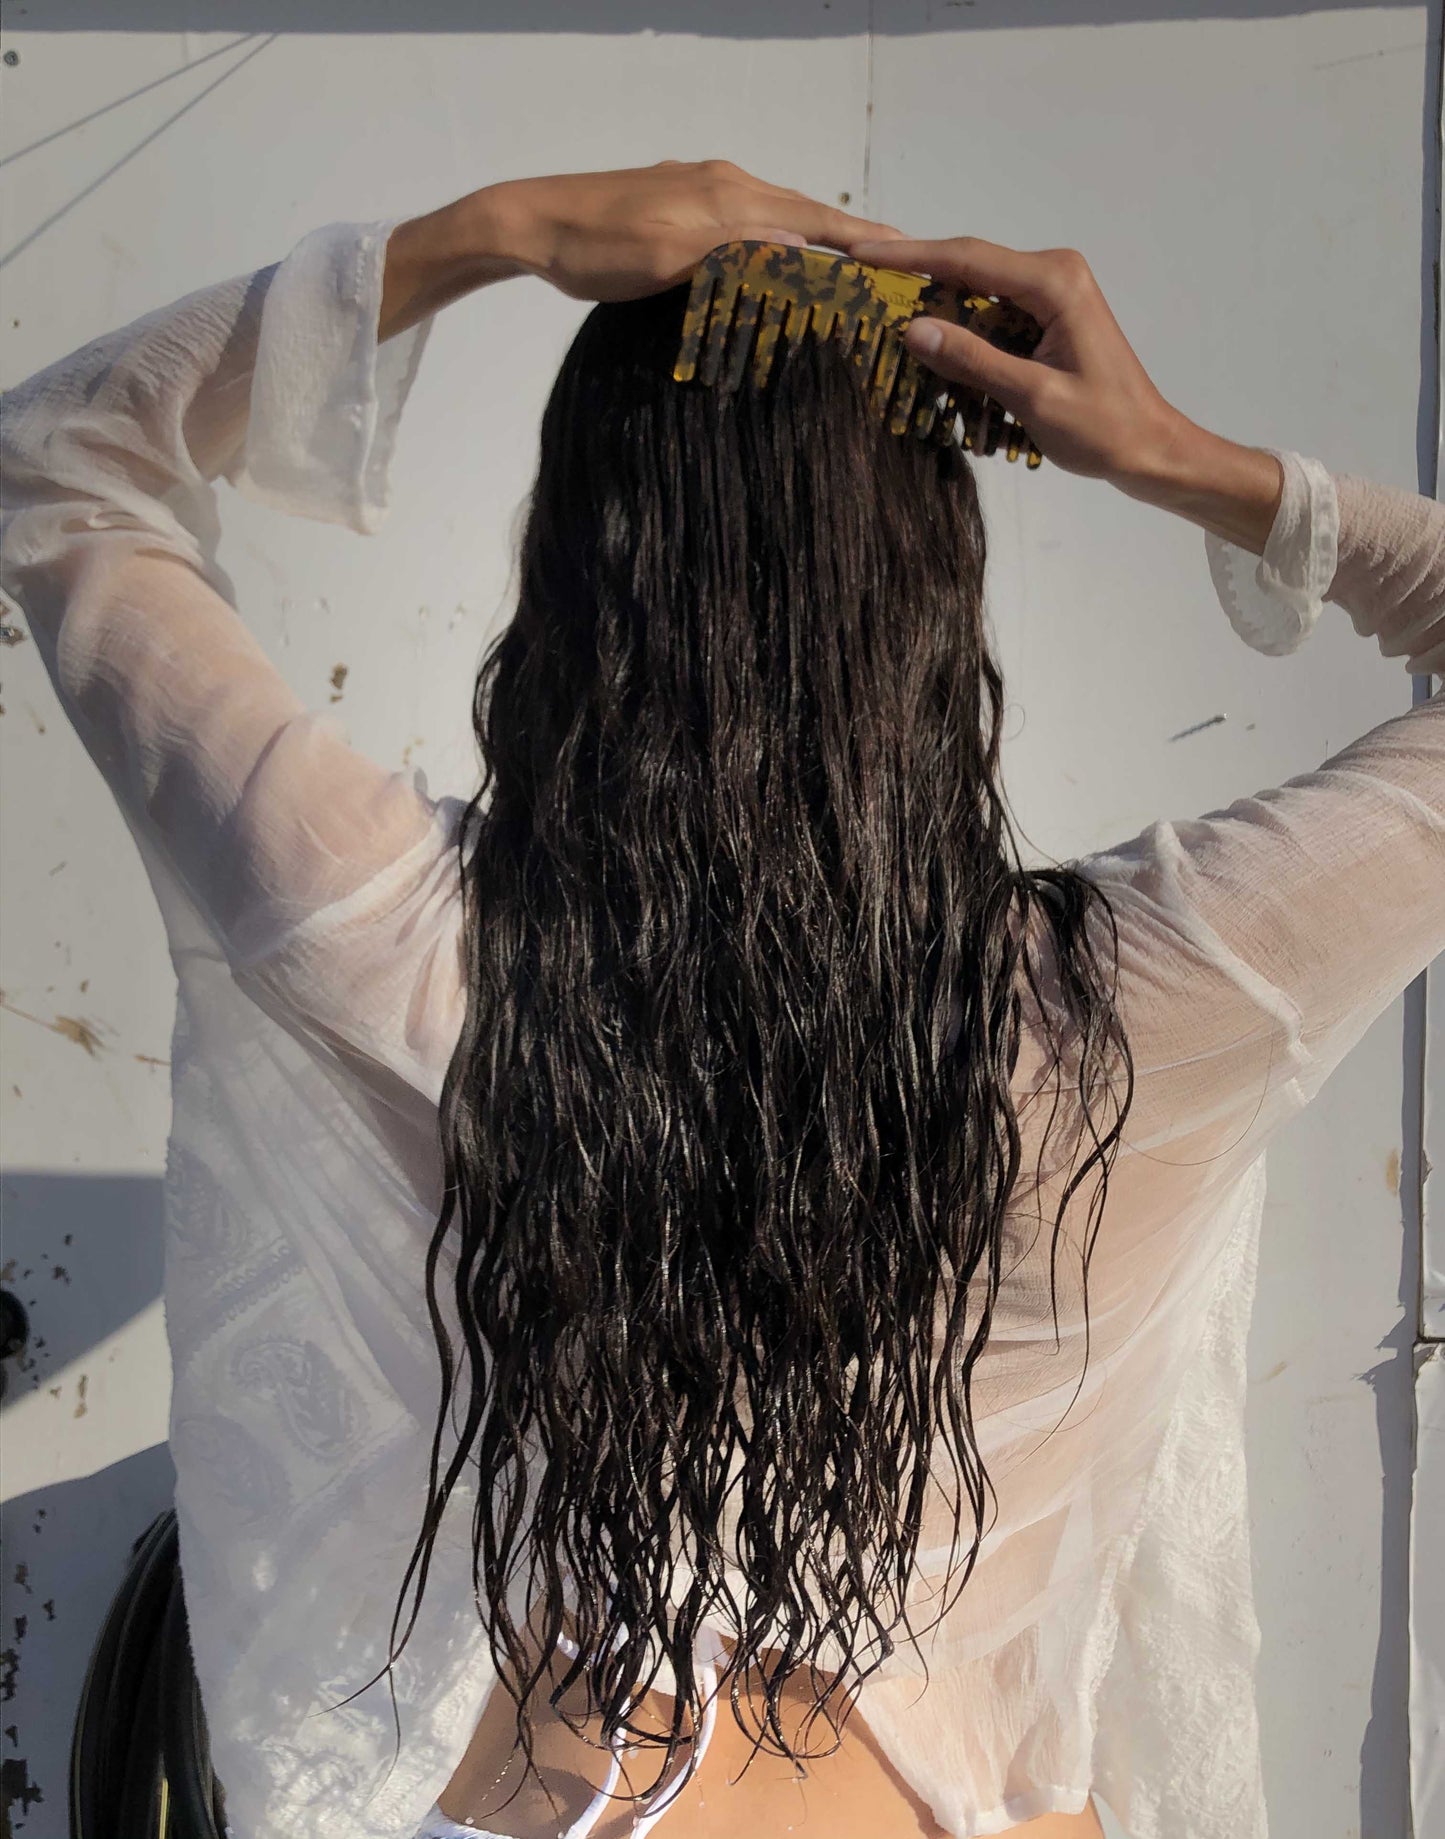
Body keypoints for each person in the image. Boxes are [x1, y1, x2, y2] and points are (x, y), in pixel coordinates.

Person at [1, 160, 1440, 1839]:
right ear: (933, 584)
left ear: (566, 560)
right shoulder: (1144, 997)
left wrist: (495, 239)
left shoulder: (403, 938)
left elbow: (57, 466)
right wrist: (1178, 457)